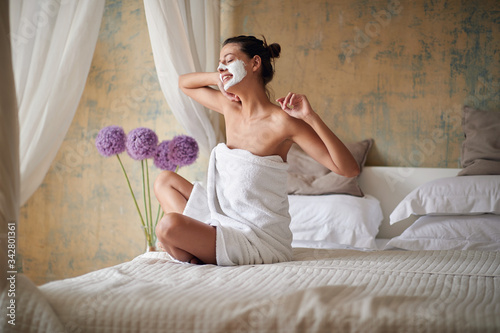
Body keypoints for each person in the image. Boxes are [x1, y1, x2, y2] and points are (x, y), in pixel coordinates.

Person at [154, 35, 359, 265]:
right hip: (222, 218)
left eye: (229, 60)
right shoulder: (229, 107)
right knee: (165, 181)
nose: (222, 66)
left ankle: (187, 250)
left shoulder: (282, 122)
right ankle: (193, 250)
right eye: (219, 63)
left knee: (168, 225)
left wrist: (311, 118)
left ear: (254, 63)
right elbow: (184, 83)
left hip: (255, 237)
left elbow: (348, 169)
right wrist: (219, 77)